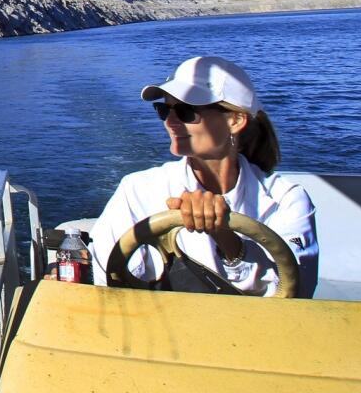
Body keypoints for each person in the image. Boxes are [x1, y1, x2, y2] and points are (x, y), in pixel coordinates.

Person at [88, 56, 318, 296]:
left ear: (235, 120)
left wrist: (224, 236)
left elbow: (296, 291)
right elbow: (105, 278)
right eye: (164, 109)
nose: (170, 122)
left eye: (187, 112)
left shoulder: (287, 200)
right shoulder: (137, 190)